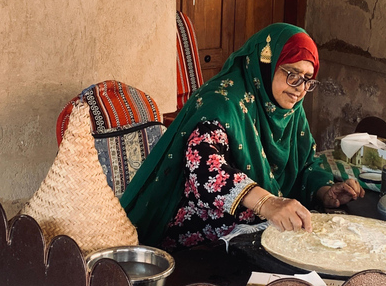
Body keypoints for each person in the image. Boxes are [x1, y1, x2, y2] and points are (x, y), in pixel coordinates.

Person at [120, 23, 365, 252]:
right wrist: (267, 203)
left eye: (307, 80)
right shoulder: (223, 102)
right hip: (204, 247)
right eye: (292, 74)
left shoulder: (291, 111)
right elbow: (205, 170)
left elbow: (304, 165)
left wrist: (325, 192)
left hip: (260, 238)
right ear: (266, 64)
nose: (300, 88)